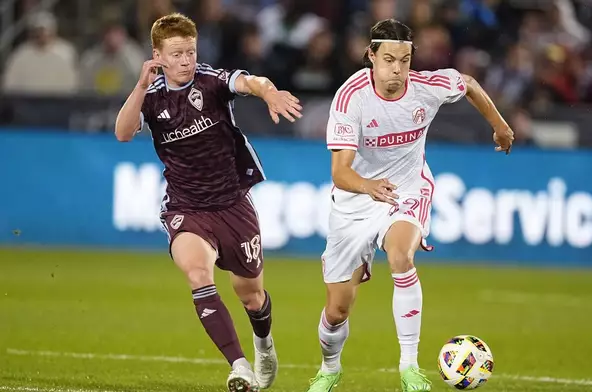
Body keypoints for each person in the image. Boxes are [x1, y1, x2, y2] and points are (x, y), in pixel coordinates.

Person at [306, 19, 513, 392]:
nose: (397, 70)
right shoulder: (350, 97)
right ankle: (330, 368)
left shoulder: (425, 88)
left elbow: (468, 83)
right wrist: (368, 187)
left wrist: (499, 125)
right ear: (370, 56)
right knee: (337, 309)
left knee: (401, 256)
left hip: (406, 189)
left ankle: (409, 368)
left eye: (404, 60)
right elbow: (340, 172)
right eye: (388, 59)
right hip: (356, 199)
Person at [114, 13, 302, 392]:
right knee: (198, 274)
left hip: (232, 204)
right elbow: (122, 133)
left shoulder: (211, 82)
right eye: (177, 53)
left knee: (250, 295)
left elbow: (248, 80)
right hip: (185, 207)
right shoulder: (151, 98)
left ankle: (263, 345)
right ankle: (239, 367)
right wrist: (138, 86)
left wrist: (268, 92)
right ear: (158, 55)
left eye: (190, 51)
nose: (185, 60)